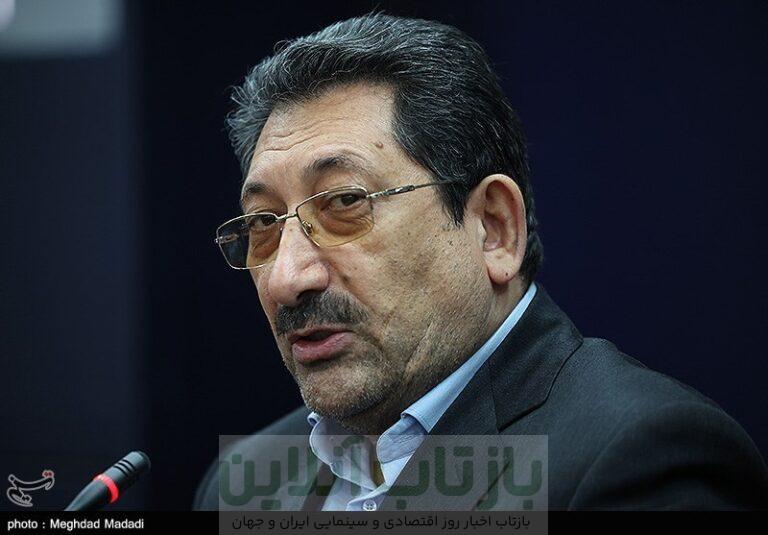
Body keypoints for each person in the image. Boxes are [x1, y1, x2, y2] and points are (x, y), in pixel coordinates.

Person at [194, 13, 768, 511]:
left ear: (494, 228)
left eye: (345, 203)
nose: (288, 278)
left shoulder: (637, 459)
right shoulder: (241, 483)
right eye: (263, 224)